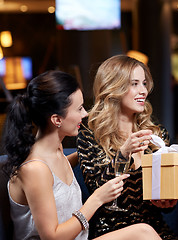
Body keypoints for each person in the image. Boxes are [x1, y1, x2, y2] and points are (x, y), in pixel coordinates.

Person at [3, 70, 162, 240]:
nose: (85, 114)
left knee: (143, 231)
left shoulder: (57, 151)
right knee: (143, 233)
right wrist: (97, 199)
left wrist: (107, 149)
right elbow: (52, 237)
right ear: (57, 120)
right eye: (79, 109)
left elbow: (62, 168)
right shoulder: (35, 169)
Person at [77, 55, 177, 239]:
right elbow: (97, 189)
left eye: (144, 83)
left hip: (155, 229)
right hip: (113, 231)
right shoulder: (90, 135)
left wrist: (167, 202)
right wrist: (124, 154)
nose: (143, 91)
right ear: (113, 87)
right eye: (134, 84)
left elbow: (165, 198)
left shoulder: (157, 135)